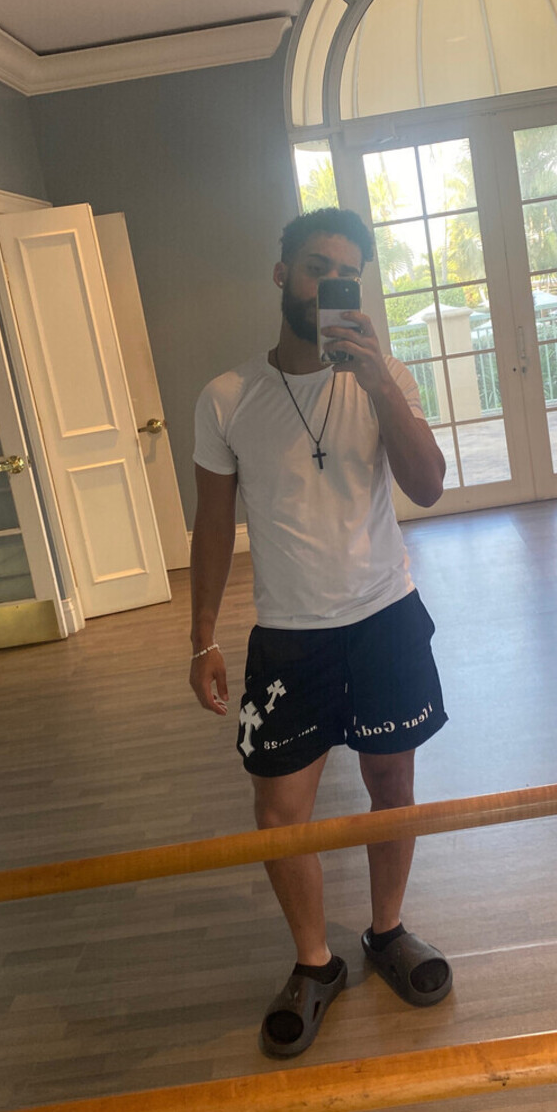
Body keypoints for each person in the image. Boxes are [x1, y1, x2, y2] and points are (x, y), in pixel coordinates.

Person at [189, 207, 452, 1058]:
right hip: (289, 637)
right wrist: (201, 636)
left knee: (392, 785)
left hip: (385, 618)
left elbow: (428, 486)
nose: (329, 284)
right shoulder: (227, 397)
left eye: (346, 273)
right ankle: (314, 962)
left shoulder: (385, 377)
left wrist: (379, 384)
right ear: (283, 275)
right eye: (315, 267)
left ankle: (387, 930)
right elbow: (212, 526)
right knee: (279, 813)